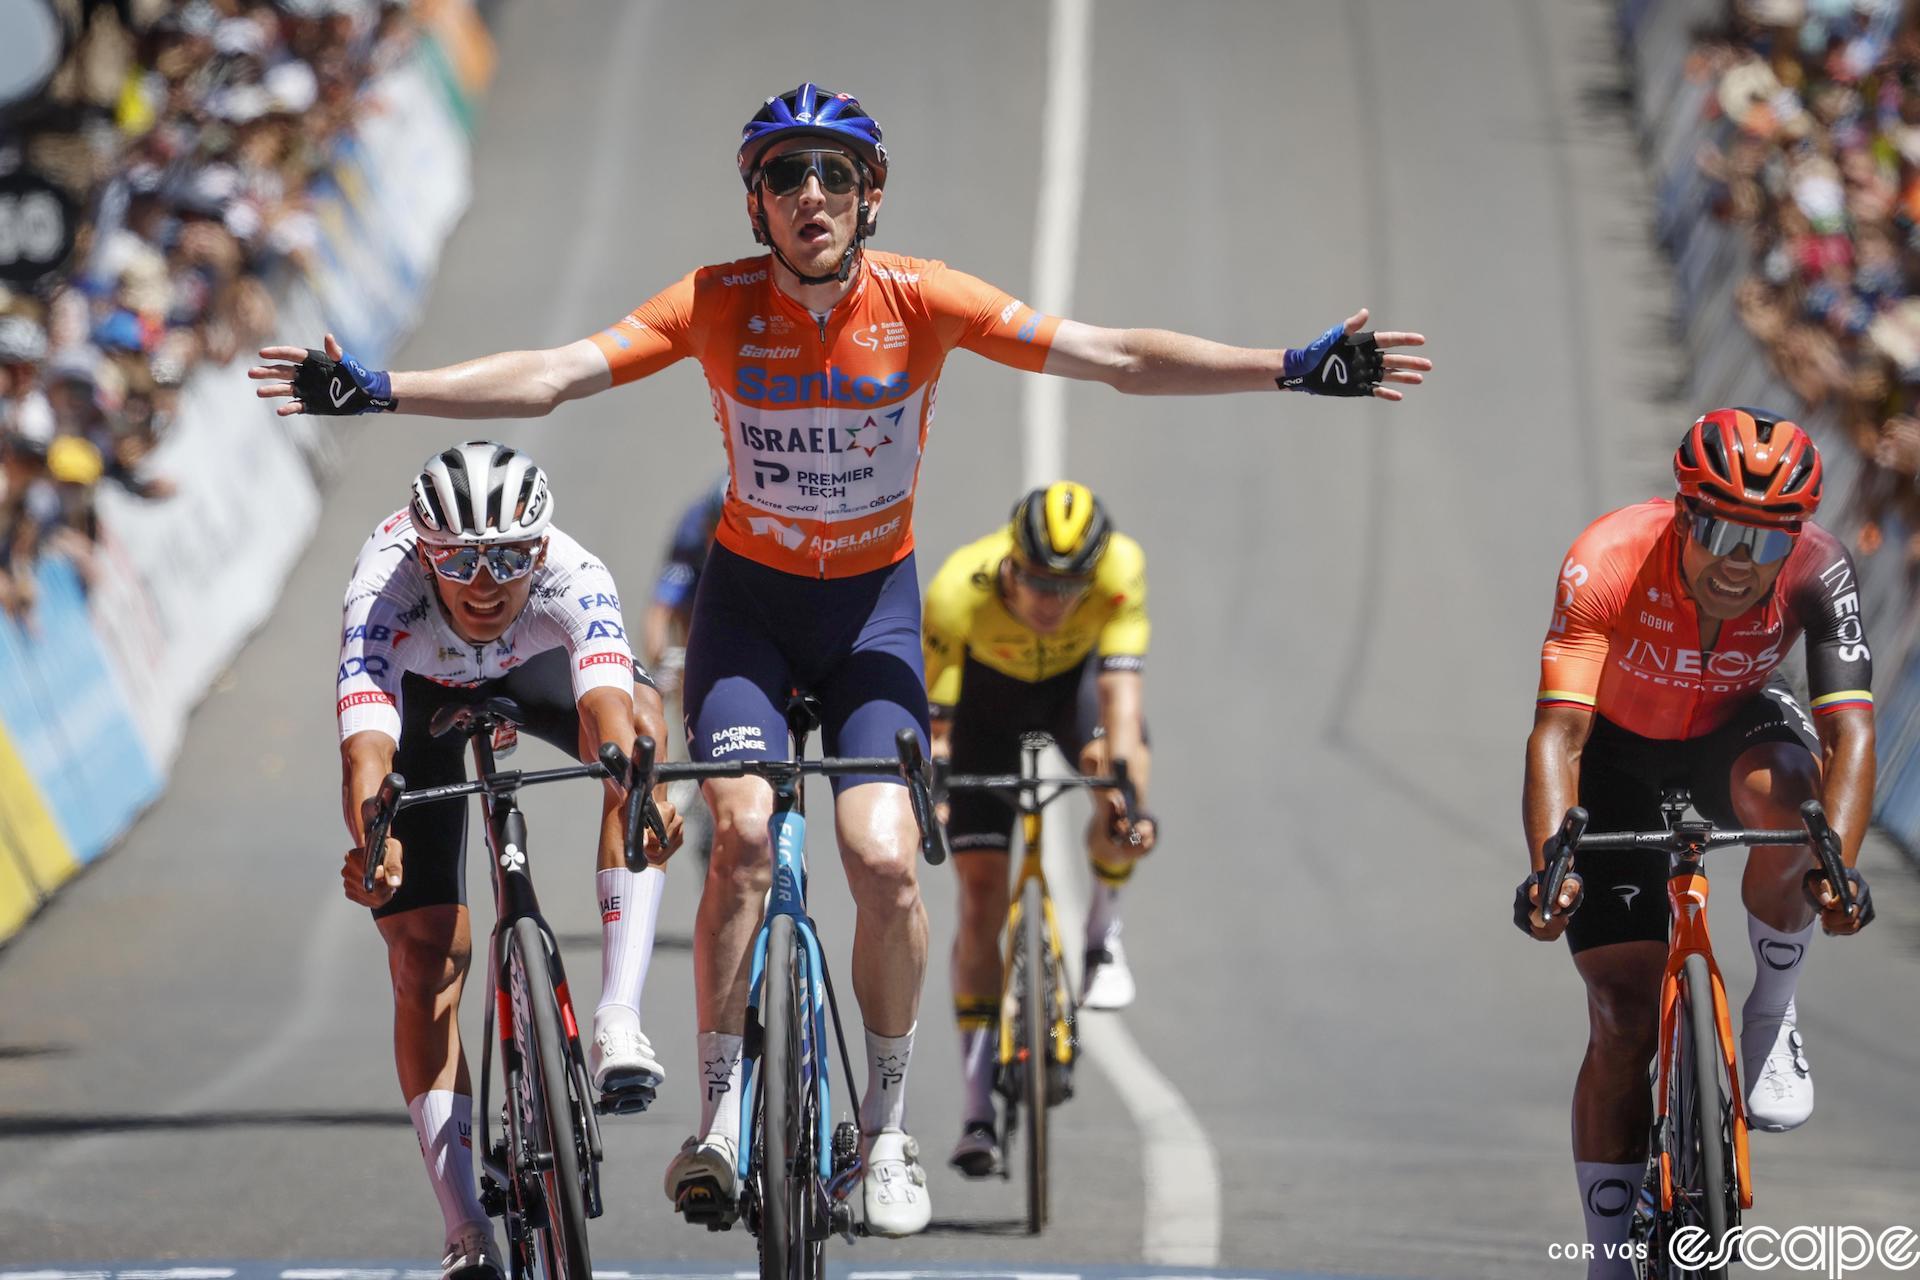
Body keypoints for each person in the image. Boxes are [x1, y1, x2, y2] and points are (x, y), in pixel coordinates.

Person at [254, 81, 1432, 1237]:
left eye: (835, 174)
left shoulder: (925, 303)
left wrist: (1290, 363)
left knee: (881, 858)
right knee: (748, 835)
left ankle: (888, 1129)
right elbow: (554, 374)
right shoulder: (715, 302)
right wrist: (378, 390)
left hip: (872, 610)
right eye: (783, 175)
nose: (809, 193)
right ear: (753, 201)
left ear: (872, 196)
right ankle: (717, 1117)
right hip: (750, 610)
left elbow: (1115, 354)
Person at [1515, 408, 1876, 1279]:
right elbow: (1558, 737)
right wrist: (1549, 868)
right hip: (1614, 755)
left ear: (1795, 540)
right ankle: (1606, 1261)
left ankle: (1772, 1008)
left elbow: (1854, 737)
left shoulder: (1822, 571)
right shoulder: (1604, 560)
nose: (1738, 564)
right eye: (1717, 531)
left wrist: (1840, 868)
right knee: (1622, 1018)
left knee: (1794, 801)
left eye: (1765, 542)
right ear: (1680, 516)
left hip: (1736, 726)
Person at [336, 442, 681, 1280]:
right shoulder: (383, 590)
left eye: (507, 559)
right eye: (458, 560)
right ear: (425, 552)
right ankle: (463, 1223)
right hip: (418, 701)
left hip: (536, 667)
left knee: (642, 738)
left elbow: (605, 705)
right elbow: (368, 758)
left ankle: (618, 1022)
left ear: (540, 548)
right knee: (424, 958)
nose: (484, 582)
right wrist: (375, 847)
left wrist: (637, 785)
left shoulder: (573, 572)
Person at [922, 480, 1157, 1176]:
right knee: (981, 891)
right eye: (1040, 585)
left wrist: (1125, 797)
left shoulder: (1120, 571)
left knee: (1119, 777)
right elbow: (936, 728)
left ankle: (1100, 934)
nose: (1054, 603)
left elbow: (1120, 698)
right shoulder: (955, 589)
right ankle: (975, 1110)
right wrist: (936, 793)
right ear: (1010, 568)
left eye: (1070, 588)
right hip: (981, 710)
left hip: (1070, 695)